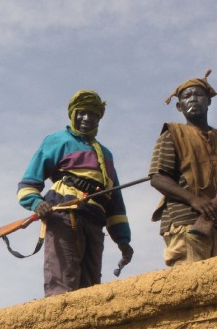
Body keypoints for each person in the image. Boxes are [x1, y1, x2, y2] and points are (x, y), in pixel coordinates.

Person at [17, 89, 134, 297]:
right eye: (82, 112)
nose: (87, 118)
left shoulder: (105, 154)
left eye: (93, 114)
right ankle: (59, 325)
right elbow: (28, 182)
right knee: (63, 280)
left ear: (99, 118)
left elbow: (115, 202)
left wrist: (123, 239)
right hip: (65, 213)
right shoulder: (58, 140)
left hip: (95, 220)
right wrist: (37, 203)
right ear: (73, 114)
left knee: (90, 286)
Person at [149, 70, 217, 267]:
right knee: (190, 281)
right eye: (187, 96)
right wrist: (196, 201)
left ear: (209, 101)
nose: (193, 99)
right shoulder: (173, 133)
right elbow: (157, 178)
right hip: (185, 222)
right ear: (179, 106)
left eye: (199, 95)